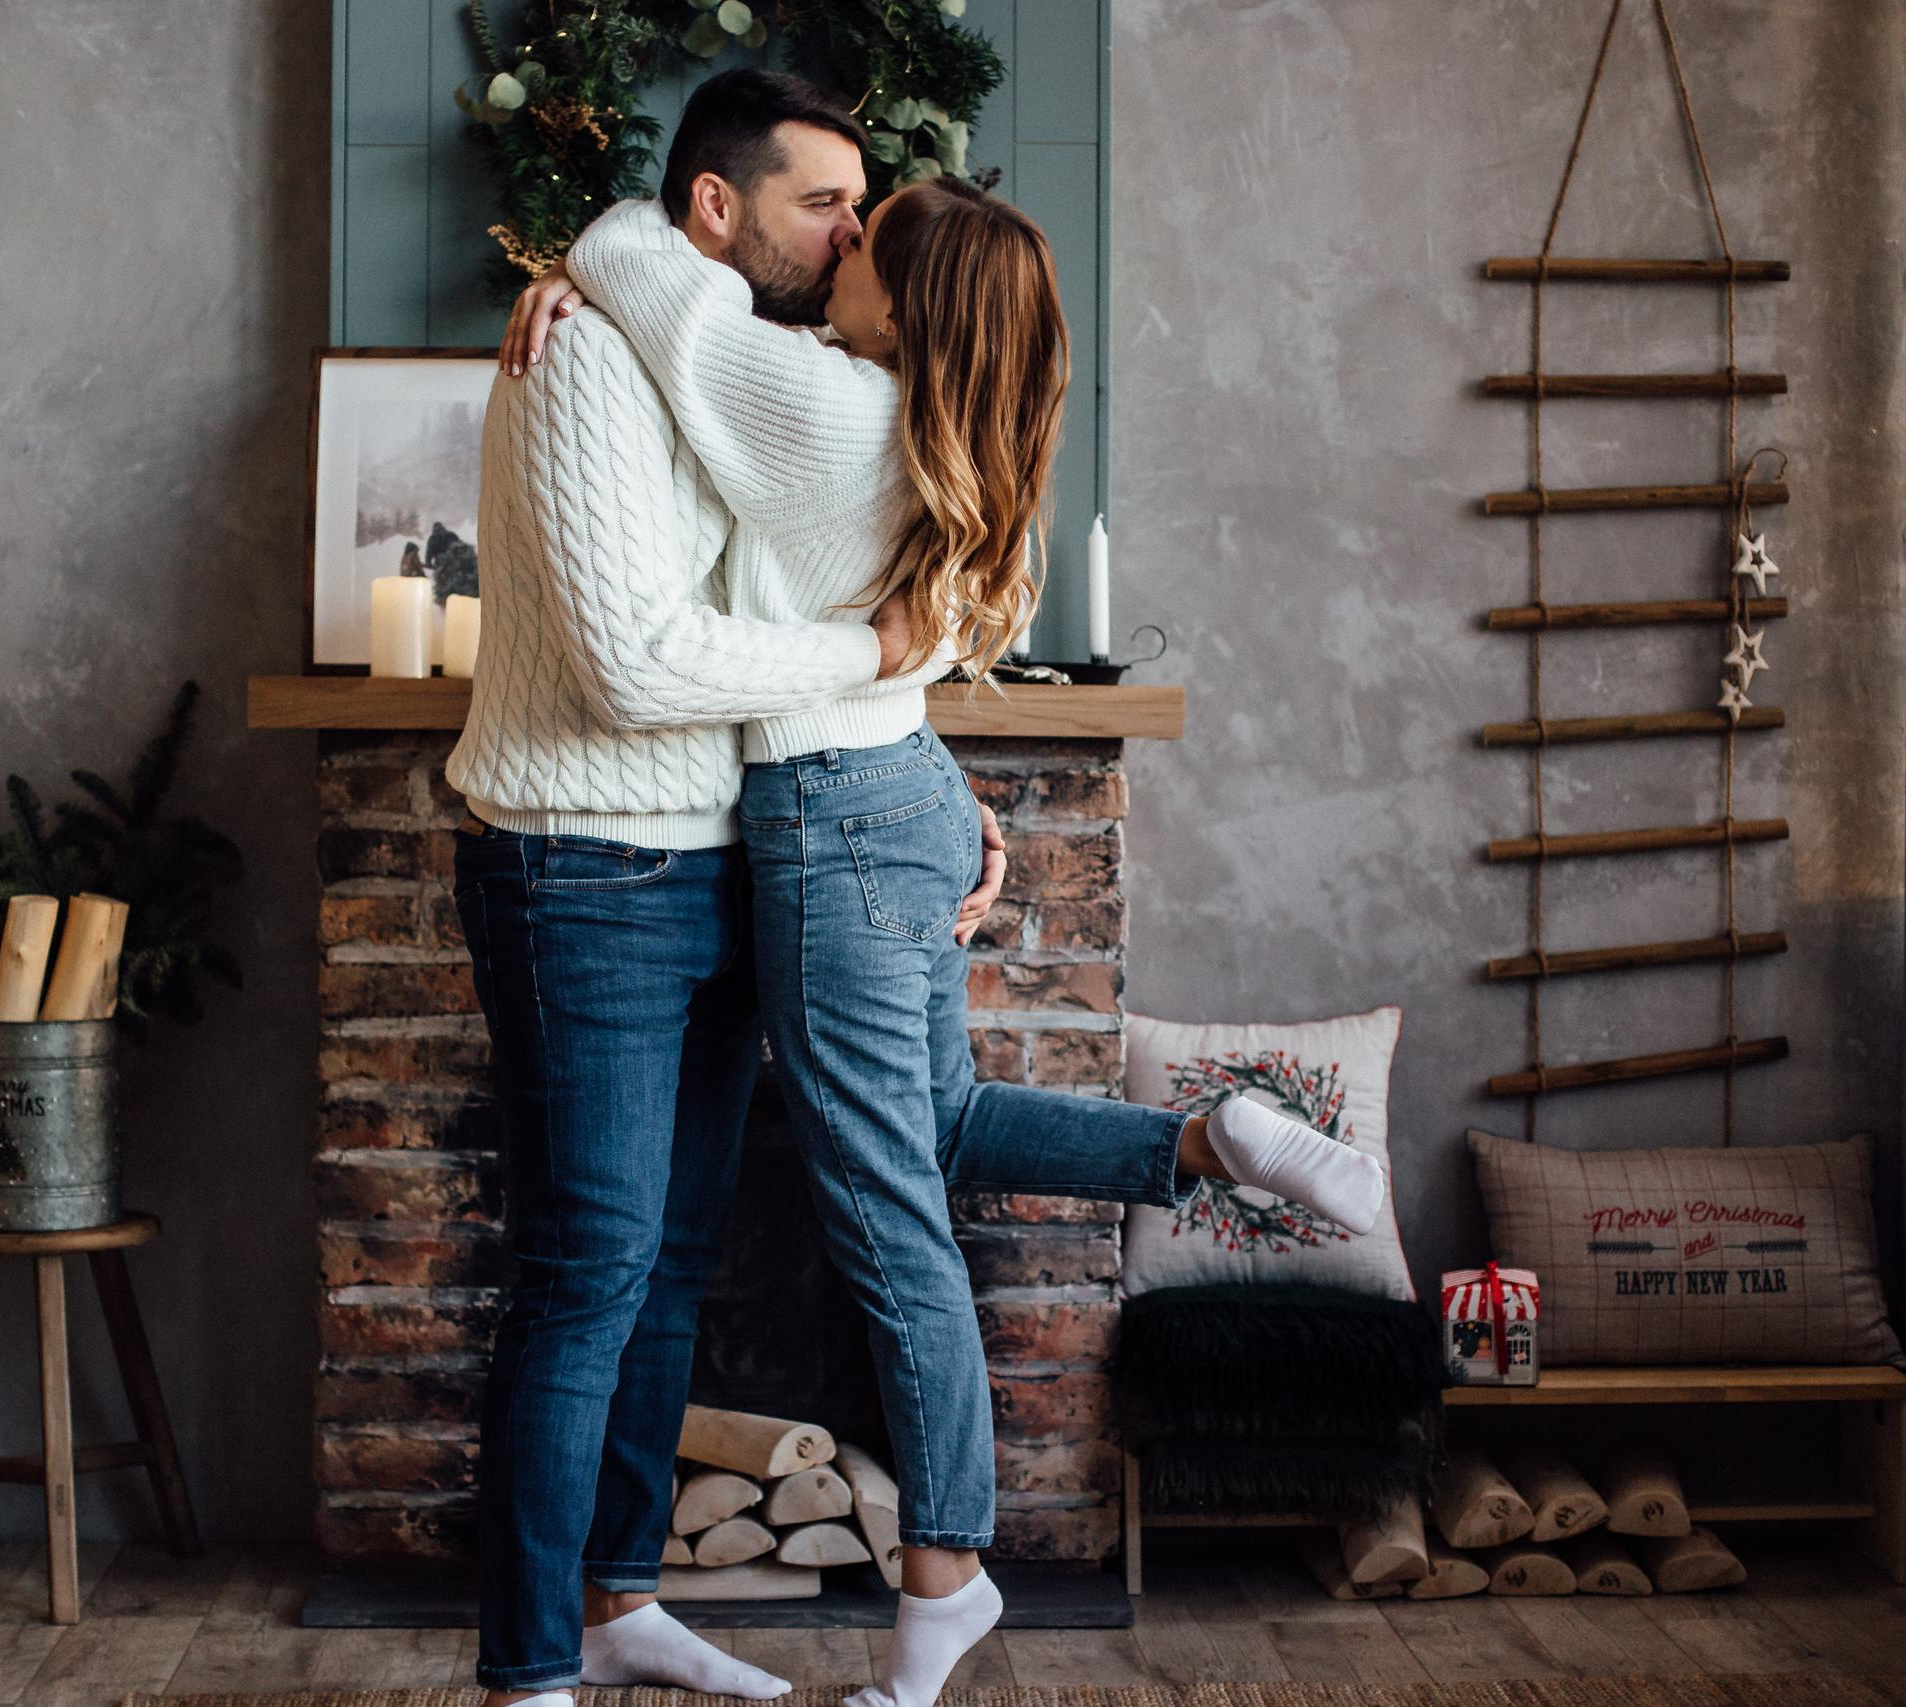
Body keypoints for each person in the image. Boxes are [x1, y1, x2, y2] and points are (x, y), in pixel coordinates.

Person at [500, 81, 1390, 1707]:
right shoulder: (914, 412)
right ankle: (1218, 1139)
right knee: (951, 1126)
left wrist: (596, 245)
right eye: (831, 209)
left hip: (835, 821)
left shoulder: (814, 402)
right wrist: (937, 788)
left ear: (901, 302)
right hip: (883, 792)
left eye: (869, 232)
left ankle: (946, 1580)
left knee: (885, 1209)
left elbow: (660, 284)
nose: (844, 236)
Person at [443, 70, 957, 1707]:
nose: (856, 228)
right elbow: (630, 666)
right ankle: (529, 1669)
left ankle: (618, 1601)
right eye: (827, 201)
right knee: (584, 1271)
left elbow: (818, 554)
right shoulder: (581, 350)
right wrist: (864, 654)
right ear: (716, 210)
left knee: (671, 1265)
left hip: (730, 861)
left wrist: (939, 775)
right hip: (576, 866)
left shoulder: (775, 363)